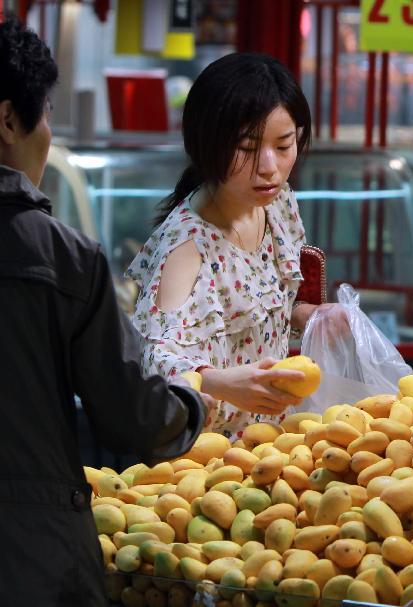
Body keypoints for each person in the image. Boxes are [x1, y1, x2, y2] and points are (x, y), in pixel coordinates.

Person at [0, 19, 207, 605]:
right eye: (44, 115)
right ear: (8, 120)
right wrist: (193, 403)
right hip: (27, 558)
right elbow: (132, 417)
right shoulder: (60, 258)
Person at [127, 53, 342, 438]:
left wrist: (307, 316)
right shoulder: (187, 245)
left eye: (284, 145)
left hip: (269, 446)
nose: (268, 167)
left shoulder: (279, 206)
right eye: (246, 147)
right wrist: (219, 382)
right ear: (206, 144)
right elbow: (151, 357)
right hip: (202, 461)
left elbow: (270, 305)